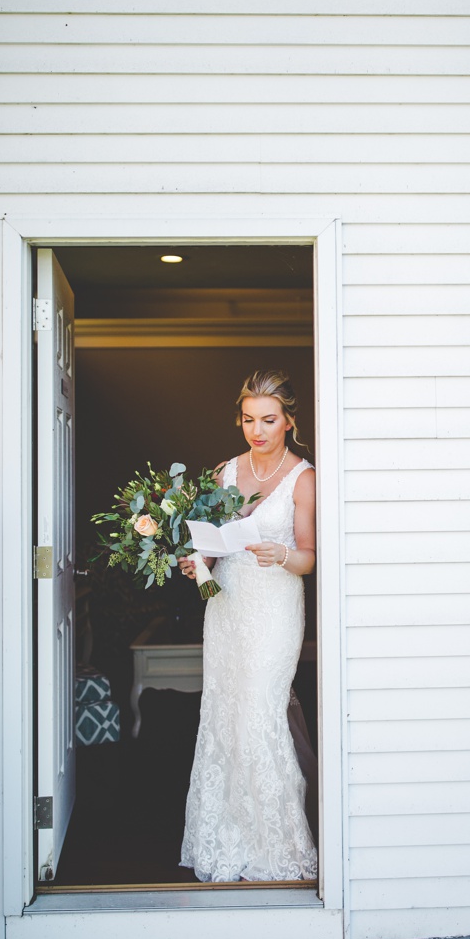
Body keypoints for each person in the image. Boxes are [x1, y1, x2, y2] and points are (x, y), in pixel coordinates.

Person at [178, 368, 319, 882]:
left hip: (276, 607)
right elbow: (212, 544)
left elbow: (308, 559)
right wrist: (199, 564)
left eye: (268, 419)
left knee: (261, 715)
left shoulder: (303, 477)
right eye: (248, 419)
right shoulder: (224, 473)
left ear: (289, 421)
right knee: (225, 716)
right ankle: (228, 843)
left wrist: (281, 552)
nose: (257, 430)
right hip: (228, 608)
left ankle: (279, 851)